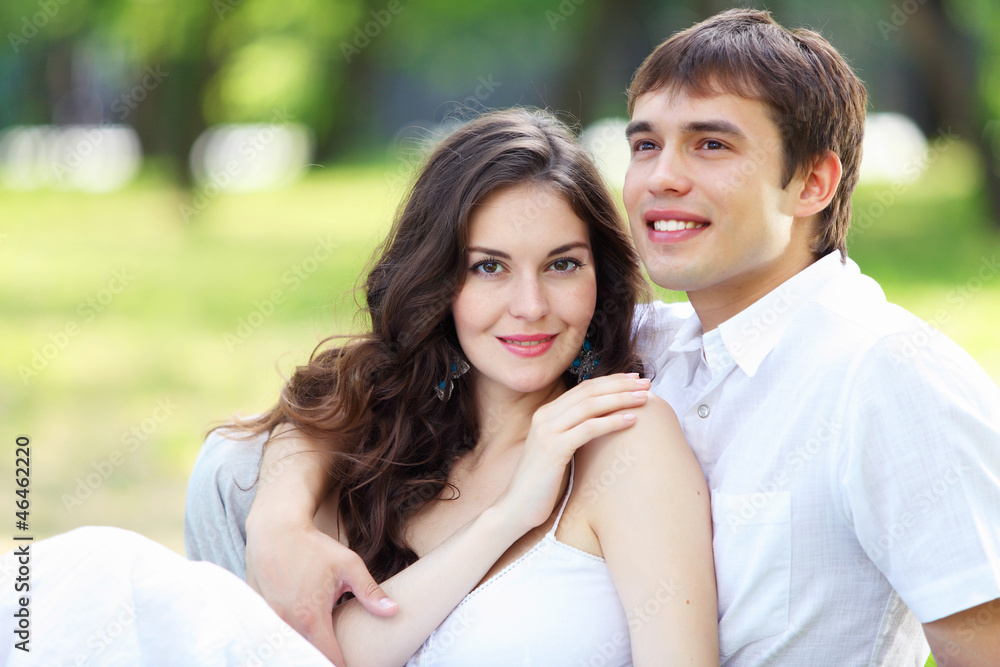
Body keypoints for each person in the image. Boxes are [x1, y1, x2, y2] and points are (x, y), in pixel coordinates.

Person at [189, 8, 1000, 666]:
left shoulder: (887, 374)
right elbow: (376, 377)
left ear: (813, 181)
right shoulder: (640, 341)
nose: (660, 176)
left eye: (710, 143)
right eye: (645, 142)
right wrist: (282, 521)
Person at [186, 107, 718, 666]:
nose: (531, 307)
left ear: (599, 279)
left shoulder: (626, 440)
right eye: (490, 268)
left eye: (562, 265)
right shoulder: (383, 440)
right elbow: (329, 654)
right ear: (437, 280)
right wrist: (509, 515)